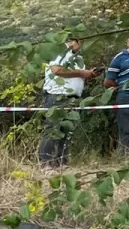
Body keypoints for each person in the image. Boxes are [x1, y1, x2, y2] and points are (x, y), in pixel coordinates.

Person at [39, 34, 98, 169]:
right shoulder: (58, 52)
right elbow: (57, 70)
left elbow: (75, 76)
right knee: (52, 128)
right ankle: (46, 163)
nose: (77, 44)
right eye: (74, 41)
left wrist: (89, 75)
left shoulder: (79, 59)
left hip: (73, 97)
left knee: (66, 130)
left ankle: (61, 162)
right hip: (57, 95)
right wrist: (82, 73)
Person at [105, 28, 129, 156]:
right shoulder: (119, 58)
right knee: (127, 130)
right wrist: (124, 86)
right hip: (127, 98)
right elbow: (108, 82)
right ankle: (126, 159)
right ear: (128, 42)